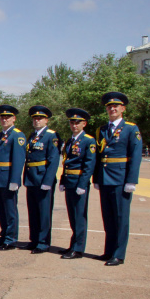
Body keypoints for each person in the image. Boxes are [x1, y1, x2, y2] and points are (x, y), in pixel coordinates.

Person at [94, 91, 142, 266]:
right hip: (105, 178)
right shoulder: (102, 129)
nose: (112, 108)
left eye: (115, 106)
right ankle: (109, 250)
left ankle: (119, 254)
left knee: (121, 217)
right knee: (108, 217)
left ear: (123, 108)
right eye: (109, 106)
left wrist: (132, 180)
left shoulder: (131, 128)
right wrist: (96, 178)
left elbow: (135, 155)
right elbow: (99, 157)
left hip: (121, 179)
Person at [22, 106, 61, 254]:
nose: (37, 121)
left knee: (44, 212)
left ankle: (43, 242)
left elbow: (53, 159)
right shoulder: (32, 136)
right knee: (33, 211)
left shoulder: (52, 136)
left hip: (43, 178)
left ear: (46, 120)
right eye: (35, 118)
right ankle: (34, 239)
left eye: (40, 118)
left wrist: (48, 181)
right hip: (31, 178)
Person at [59, 108, 97, 260]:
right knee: (72, 216)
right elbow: (66, 162)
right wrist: (63, 180)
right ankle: (73, 244)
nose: (74, 125)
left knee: (79, 216)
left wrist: (83, 184)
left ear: (84, 124)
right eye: (72, 122)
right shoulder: (70, 140)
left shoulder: (89, 140)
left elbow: (89, 164)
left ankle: (78, 248)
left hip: (79, 182)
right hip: (69, 181)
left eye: (78, 122)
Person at [0, 105, 26, 250]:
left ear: (14, 119)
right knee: (1, 209)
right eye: (2, 117)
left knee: (10, 210)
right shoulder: (1, 135)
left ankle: (11, 239)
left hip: (8, 179)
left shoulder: (17, 135)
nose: (4, 120)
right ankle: (4, 234)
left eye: (7, 117)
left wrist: (14, 181)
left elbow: (18, 160)